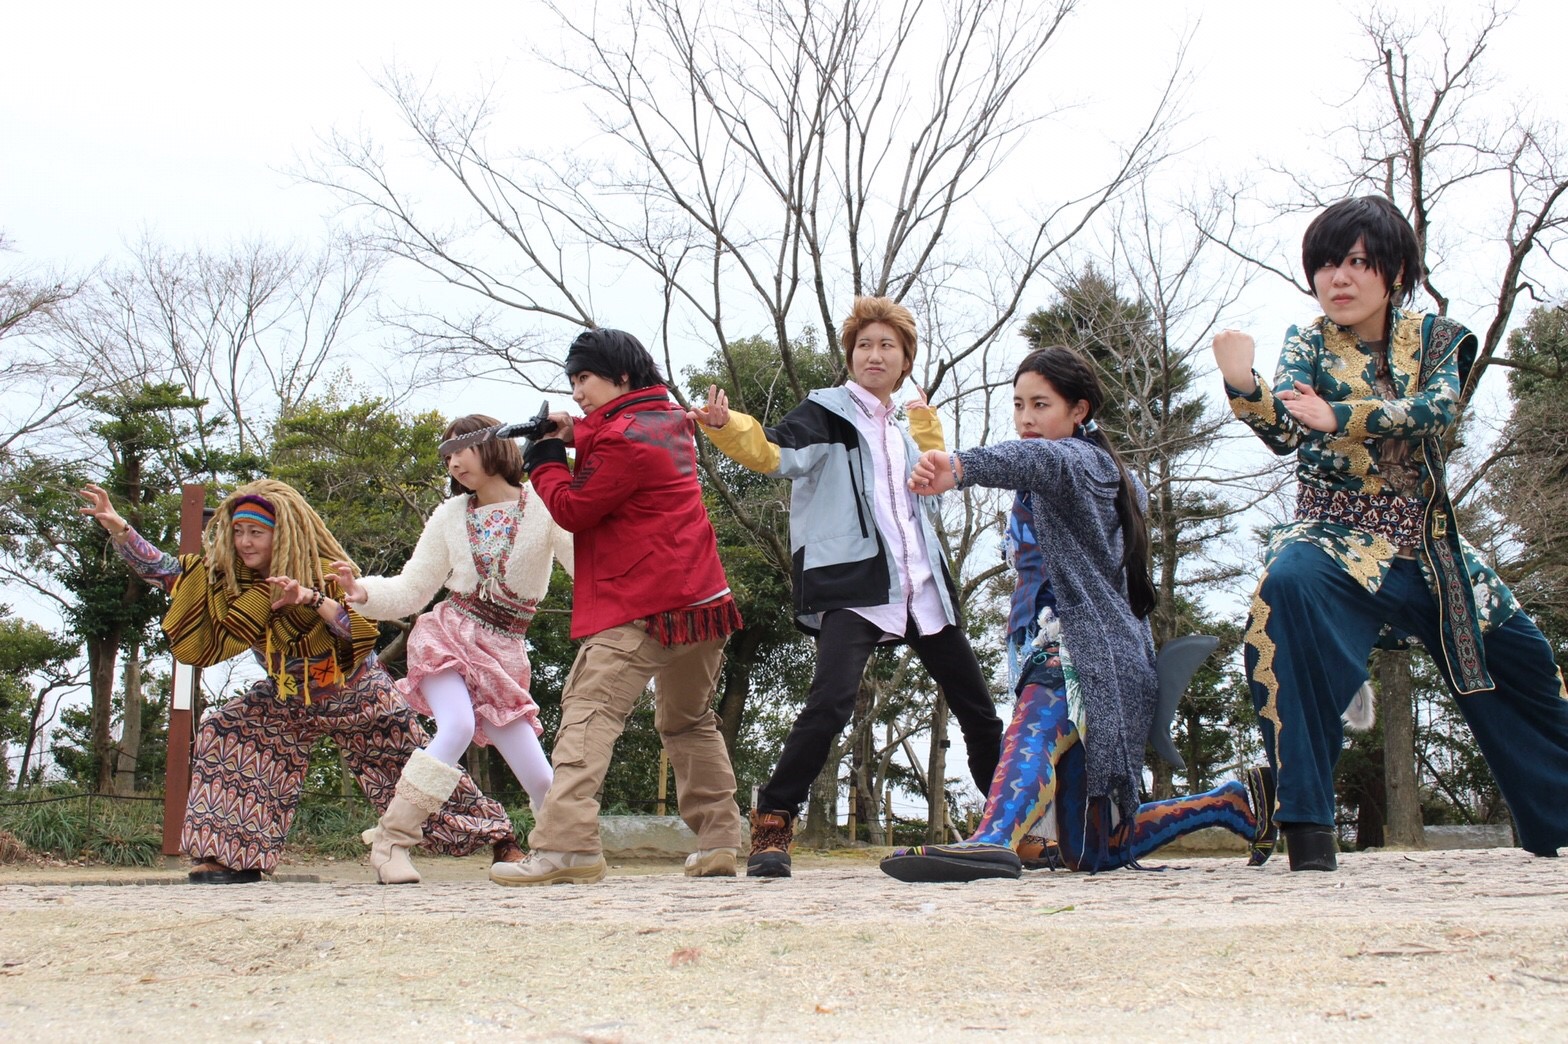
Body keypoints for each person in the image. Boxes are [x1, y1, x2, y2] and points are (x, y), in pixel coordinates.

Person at [1213, 195, 1568, 870]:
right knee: (1283, 593)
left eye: (1355, 263)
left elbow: (1436, 409)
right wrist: (1244, 384)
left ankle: (1559, 820)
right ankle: (1308, 826)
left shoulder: (1439, 339)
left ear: (1395, 270)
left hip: (1431, 551)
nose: (1337, 280)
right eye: (1324, 265)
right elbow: (1287, 431)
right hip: (1333, 540)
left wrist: (1338, 414)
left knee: (1525, 661)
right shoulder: (1308, 341)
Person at [878, 346, 1276, 882]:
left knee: (1039, 711)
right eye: (1018, 405)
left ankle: (991, 838)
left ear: (1079, 410)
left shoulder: (1077, 462)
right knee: (1092, 851)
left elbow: (1038, 460)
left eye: (1041, 404)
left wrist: (959, 466)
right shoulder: (1098, 470)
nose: (1025, 419)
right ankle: (1231, 805)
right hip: (1108, 659)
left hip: (1078, 651)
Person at [690, 296, 1004, 877]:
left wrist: (927, 426)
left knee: (979, 711)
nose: (874, 354)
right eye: (864, 345)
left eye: (887, 345)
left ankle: (1011, 824)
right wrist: (726, 426)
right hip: (855, 580)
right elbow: (774, 453)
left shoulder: (910, 425)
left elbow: (936, 478)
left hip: (920, 582)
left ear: (905, 358)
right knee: (830, 703)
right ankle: (773, 825)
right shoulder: (826, 412)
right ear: (851, 356)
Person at [77, 479, 518, 884]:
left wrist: (313, 599)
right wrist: (119, 528)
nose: (244, 542)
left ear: (280, 534)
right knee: (228, 729)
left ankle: (501, 838)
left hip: (356, 692)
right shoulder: (225, 581)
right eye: (238, 531)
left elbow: (358, 631)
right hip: (287, 699)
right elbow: (169, 572)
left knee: (409, 767)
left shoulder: (324, 570)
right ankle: (232, 856)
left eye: (256, 532)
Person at [490, 327, 745, 885]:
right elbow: (615, 434)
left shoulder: (622, 438)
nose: (577, 391)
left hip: (642, 603)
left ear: (620, 376)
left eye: (585, 378)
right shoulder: (672, 418)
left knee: (588, 715)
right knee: (688, 721)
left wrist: (546, 457)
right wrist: (572, 431)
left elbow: (576, 508)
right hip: (703, 601)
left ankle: (567, 847)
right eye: (572, 381)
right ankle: (720, 840)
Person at [330, 414, 573, 883]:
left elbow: (587, 565)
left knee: (542, 778)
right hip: (450, 635)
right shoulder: (449, 515)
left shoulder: (545, 505)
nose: (454, 461)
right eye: (448, 454)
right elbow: (414, 587)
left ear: (497, 446)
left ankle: (565, 849)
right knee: (457, 725)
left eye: (463, 448)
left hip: (505, 653)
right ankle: (391, 843)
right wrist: (363, 593)